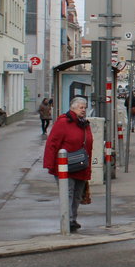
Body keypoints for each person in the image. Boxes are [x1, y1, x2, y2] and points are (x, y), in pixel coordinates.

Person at [44, 96, 94, 232]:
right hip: (65, 166)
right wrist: (49, 163)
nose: (83, 110)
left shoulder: (84, 123)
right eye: (80, 107)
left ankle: (73, 219)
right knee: (68, 193)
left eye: (85, 107)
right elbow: (52, 143)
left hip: (81, 165)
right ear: (73, 108)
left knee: (78, 195)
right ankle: (68, 220)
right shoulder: (63, 122)